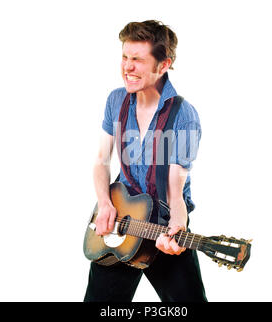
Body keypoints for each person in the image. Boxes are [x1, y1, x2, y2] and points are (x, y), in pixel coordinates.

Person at [84, 20, 207, 302]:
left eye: (137, 60)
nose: (127, 67)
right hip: (120, 223)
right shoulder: (116, 100)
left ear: (163, 64)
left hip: (162, 226)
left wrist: (176, 228)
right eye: (125, 57)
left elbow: (176, 192)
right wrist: (104, 204)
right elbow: (102, 161)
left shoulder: (184, 116)